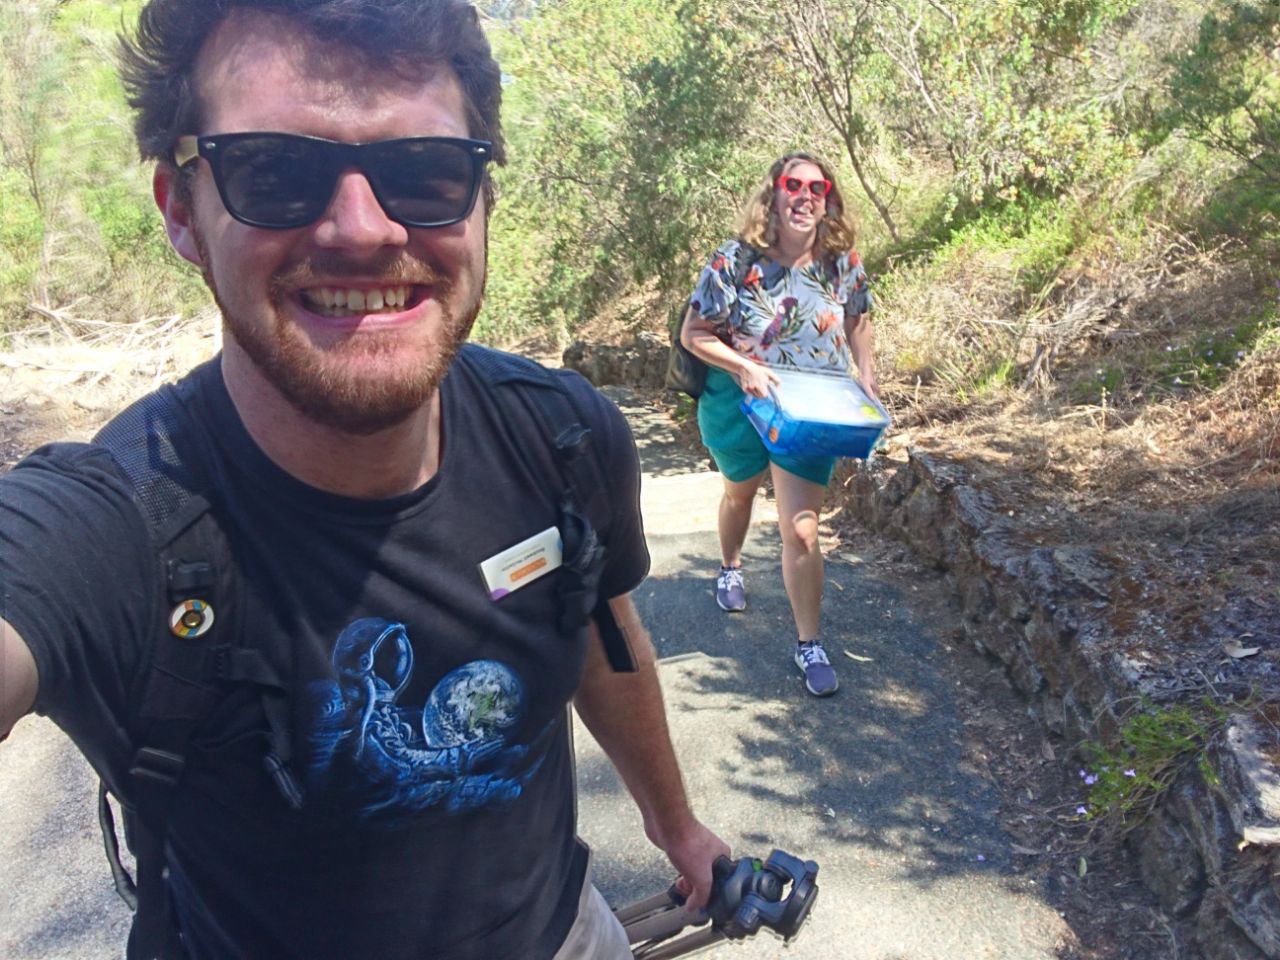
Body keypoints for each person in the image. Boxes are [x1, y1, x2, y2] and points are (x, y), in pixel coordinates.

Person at [0, 2, 728, 958]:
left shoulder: (560, 437)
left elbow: (598, 631)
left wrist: (675, 825)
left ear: (482, 200)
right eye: (274, 172)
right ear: (181, 210)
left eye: (425, 171)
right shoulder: (119, 528)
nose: (363, 228)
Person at [679, 152, 876, 699]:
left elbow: (858, 318)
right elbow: (695, 333)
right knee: (739, 494)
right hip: (739, 403)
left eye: (817, 187)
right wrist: (743, 367)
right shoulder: (734, 260)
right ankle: (730, 565)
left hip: (811, 409)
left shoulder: (842, 262)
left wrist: (867, 376)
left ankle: (809, 643)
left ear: (828, 199)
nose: (805, 196)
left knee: (802, 529)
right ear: (774, 194)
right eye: (794, 184)